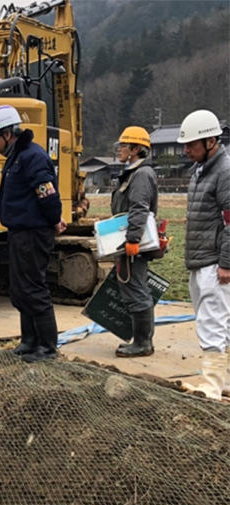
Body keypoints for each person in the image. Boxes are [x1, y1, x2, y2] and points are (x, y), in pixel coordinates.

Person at [0, 105, 66, 362]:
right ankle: (29, 340)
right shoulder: (16, 157)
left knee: (33, 287)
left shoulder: (33, 157)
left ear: (7, 134)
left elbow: (47, 193)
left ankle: (47, 346)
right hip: (19, 232)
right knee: (20, 289)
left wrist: (55, 219)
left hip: (32, 233)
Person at [178, 109, 230, 400]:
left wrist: (226, 263)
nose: (186, 150)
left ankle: (211, 386)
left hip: (215, 263)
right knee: (220, 322)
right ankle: (222, 382)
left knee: (213, 323)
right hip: (201, 260)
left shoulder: (224, 172)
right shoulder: (201, 170)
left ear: (211, 141)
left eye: (191, 145)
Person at [110, 126, 159, 357]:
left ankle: (143, 343)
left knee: (136, 290)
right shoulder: (133, 172)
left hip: (134, 244)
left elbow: (139, 208)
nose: (119, 149)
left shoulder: (141, 175)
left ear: (136, 149)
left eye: (124, 145)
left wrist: (133, 239)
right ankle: (141, 340)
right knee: (132, 288)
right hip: (128, 241)